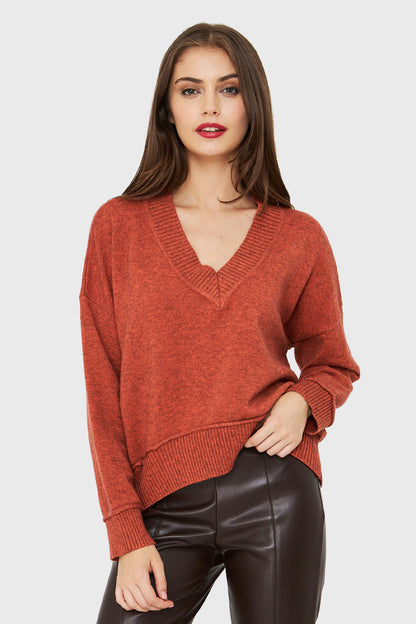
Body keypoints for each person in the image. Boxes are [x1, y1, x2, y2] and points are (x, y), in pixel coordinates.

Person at [79, 22, 360, 623]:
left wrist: (302, 402)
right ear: (167, 108)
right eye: (190, 90)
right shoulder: (118, 227)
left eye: (228, 89)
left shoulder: (298, 236)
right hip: (161, 504)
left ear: (251, 103)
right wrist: (125, 531)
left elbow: (332, 363)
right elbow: (103, 388)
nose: (209, 106)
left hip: (275, 490)